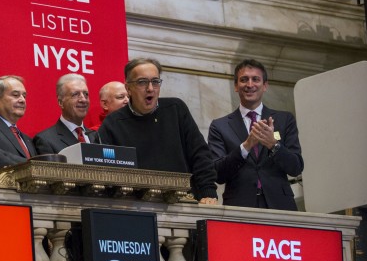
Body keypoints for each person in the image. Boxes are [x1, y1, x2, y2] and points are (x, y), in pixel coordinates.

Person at [98, 58, 218, 204]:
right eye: (142, 82)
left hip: (184, 202)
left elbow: (200, 154)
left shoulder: (176, 109)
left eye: (155, 81)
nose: (150, 88)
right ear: (128, 88)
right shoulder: (112, 124)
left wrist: (208, 191)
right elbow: (102, 171)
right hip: (135, 207)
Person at [208, 59, 303, 210]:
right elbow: (217, 174)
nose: (250, 85)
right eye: (244, 79)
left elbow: (296, 167)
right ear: (236, 86)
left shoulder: (284, 120)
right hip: (239, 206)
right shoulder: (220, 126)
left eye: (256, 79)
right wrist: (245, 147)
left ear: (265, 85)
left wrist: (274, 144)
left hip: (280, 205)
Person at [34, 73, 99, 154]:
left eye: (86, 94)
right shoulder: (46, 140)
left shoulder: (97, 137)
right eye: (75, 94)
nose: (83, 100)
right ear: (60, 102)